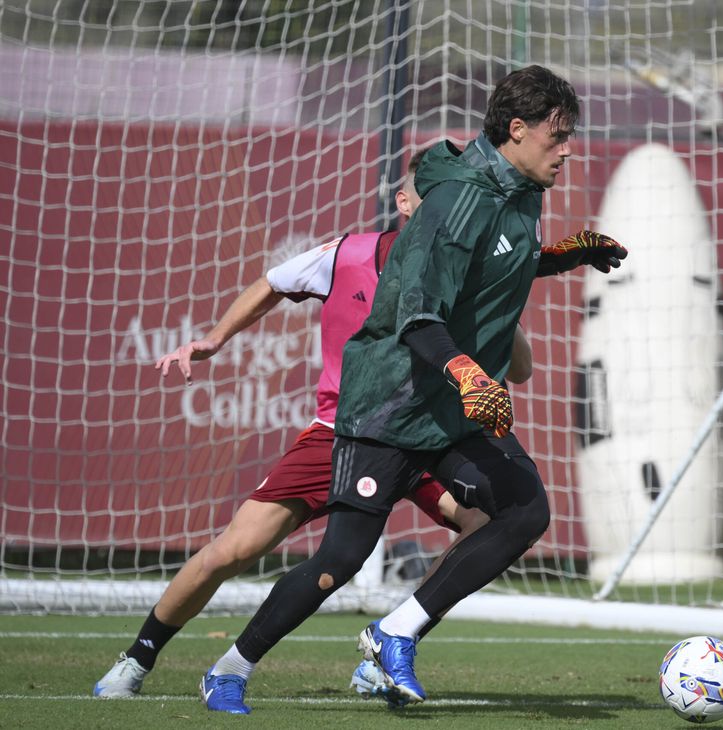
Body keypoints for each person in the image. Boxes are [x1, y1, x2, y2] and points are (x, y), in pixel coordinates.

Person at [198, 64, 627, 715]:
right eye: (557, 135)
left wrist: (567, 255)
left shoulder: (521, 186)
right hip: (390, 401)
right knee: (338, 561)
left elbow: (498, 259)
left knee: (525, 511)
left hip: (448, 406)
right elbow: (417, 318)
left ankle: (393, 632)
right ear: (517, 130)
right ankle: (228, 669)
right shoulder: (458, 201)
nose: (568, 149)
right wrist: (469, 372)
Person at [93, 150, 533, 699]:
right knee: (234, 550)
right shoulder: (349, 254)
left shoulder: (469, 272)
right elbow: (273, 281)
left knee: (491, 522)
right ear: (404, 203)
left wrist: (503, 310)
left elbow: (521, 368)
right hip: (341, 433)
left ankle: (393, 639)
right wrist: (214, 339)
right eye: (435, 198)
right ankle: (138, 659)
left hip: (424, 439)